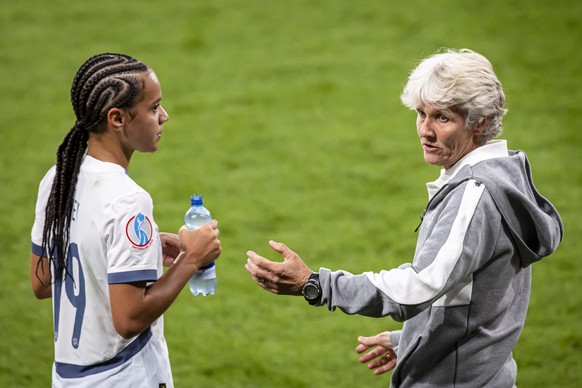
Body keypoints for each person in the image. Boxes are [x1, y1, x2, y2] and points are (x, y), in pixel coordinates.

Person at [245, 48, 563, 387]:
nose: (425, 131)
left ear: (480, 121)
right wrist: (412, 341)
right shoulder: (503, 177)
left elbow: (421, 283)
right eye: (421, 113)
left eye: (442, 118)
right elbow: (478, 293)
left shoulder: (476, 194)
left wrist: (316, 284)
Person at [30, 53, 222, 387]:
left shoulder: (57, 178)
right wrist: (191, 259)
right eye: (153, 107)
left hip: (67, 379)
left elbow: (42, 281)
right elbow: (129, 319)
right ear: (117, 118)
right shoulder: (128, 200)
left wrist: (124, 251)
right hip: (123, 377)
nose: (165, 116)